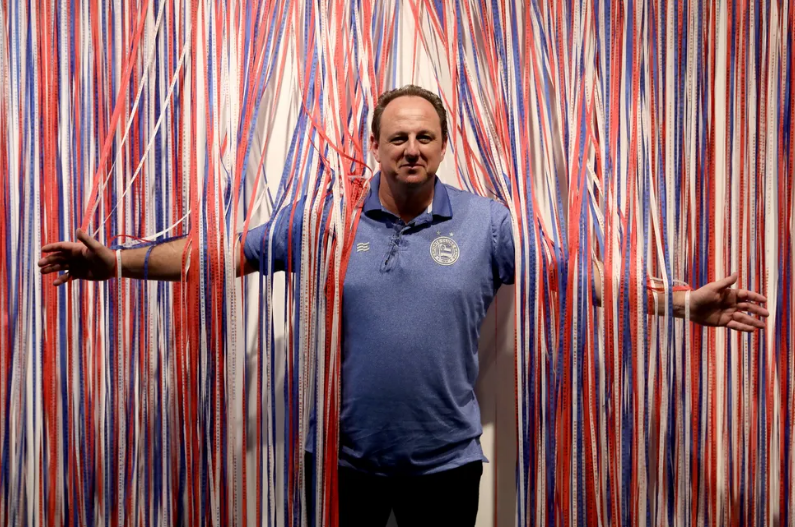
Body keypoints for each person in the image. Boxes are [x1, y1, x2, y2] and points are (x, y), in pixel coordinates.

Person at [39, 85, 769, 526]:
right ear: (374, 145)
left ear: (444, 144)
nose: (411, 147)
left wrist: (681, 302)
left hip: (446, 469)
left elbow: (584, 278)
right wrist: (119, 263)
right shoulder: (318, 220)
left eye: (424, 136)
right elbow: (216, 254)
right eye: (398, 136)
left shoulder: (489, 223)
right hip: (340, 464)